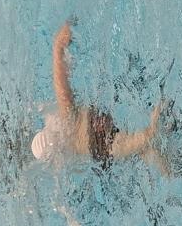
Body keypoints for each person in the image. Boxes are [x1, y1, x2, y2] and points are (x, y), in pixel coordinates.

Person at [31, 21, 168, 173]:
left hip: (101, 150)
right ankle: (164, 103)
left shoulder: (67, 158)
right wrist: (58, 48)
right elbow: (62, 88)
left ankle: (163, 163)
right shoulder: (64, 122)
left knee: (145, 143)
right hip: (96, 130)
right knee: (148, 137)